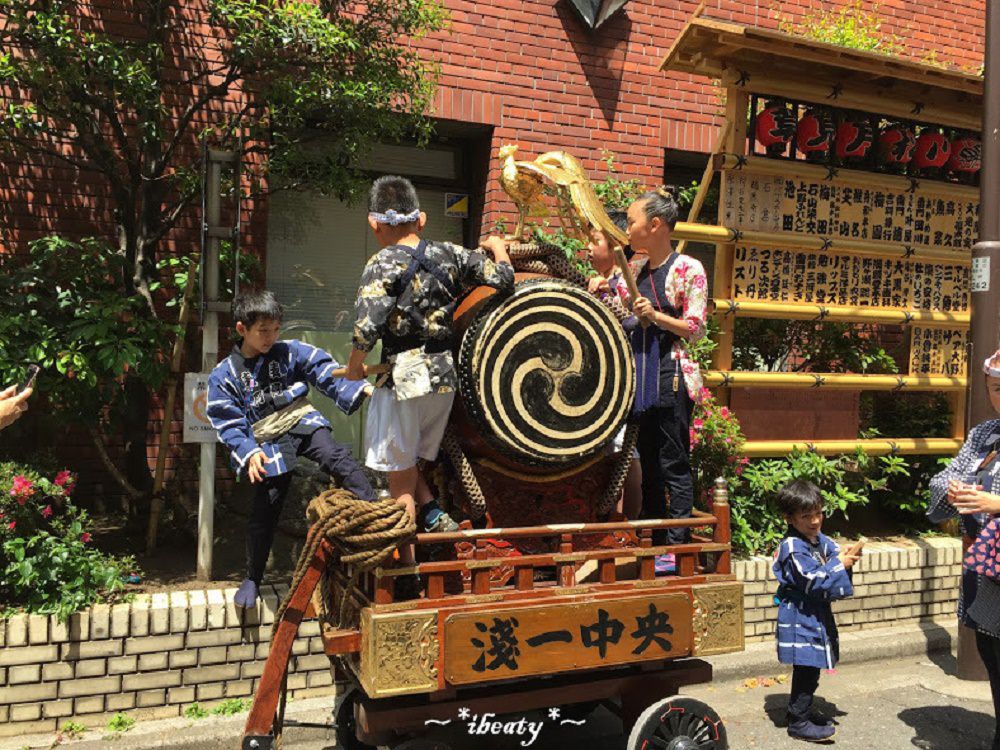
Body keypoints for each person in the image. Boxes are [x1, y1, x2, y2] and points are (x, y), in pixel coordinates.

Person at [347, 175, 514, 598]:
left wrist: (353, 368)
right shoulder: (450, 253)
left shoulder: (381, 263)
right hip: (442, 380)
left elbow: (366, 328)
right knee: (411, 465)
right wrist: (497, 248)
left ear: (374, 225)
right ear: (420, 219)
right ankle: (434, 512)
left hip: (402, 378)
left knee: (396, 482)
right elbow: (504, 279)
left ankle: (407, 570)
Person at [207, 289, 376, 608]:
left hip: (300, 418)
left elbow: (324, 370)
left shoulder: (290, 351)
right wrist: (248, 451)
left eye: (275, 329)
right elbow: (226, 418)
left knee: (336, 456)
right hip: (265, 436)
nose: (271, 337)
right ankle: (252, 577)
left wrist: (357, 385)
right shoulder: (224, 375)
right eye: (262, 331)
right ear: (242, 329)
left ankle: (377, 518)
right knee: (267, 504)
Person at [624, 187, 708, 574]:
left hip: (672, 369)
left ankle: (677, 546)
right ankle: (656, 543)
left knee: (674, 461)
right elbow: (619, 306)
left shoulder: (689, 268)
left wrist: (655, 316)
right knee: (651, 464)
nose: (628, 228)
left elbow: (695, 327)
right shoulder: (636, 271)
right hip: (642, 371)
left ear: (655, 224)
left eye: (632, 221)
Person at [928, 349, 1000, 750]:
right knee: (992, 651)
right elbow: (944, 479)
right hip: (986, 569)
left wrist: (995, 504)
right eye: (995, 388)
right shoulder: (984, 434)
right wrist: (954, 490)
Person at [772, 479, 863, 742]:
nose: (814, 521)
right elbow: (811, 580)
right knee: (806, 665)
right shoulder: (791, 547)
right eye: (806, 516)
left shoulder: (816, 538)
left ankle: (802, 710)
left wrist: (844, 554)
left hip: (814, 611)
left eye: (818, 513)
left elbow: (833, 551)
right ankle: (798, 721)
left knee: (812, 665)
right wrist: (840, 564)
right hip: (799, 612)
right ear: (789, 519)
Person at [586, 209, 641, 519]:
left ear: (616, 245)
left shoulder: (628, 281)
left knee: (624, 451)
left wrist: (609, 294)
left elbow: (633, 321)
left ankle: (629, 524)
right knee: (611, 451)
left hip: (623, 378)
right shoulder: (604, 280)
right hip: (604, 379)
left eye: (595, 241)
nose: (588, 249)